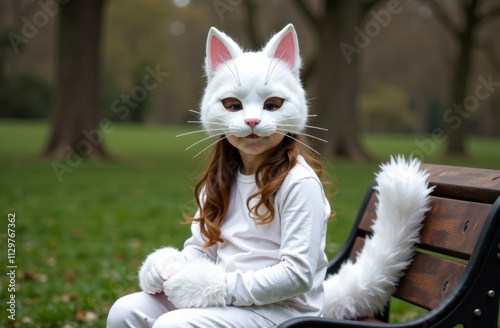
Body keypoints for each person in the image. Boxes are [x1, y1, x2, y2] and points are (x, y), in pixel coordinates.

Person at [107, 23, 332, 328]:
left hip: (284, 313)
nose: (252, 119)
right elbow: (201, 250)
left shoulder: (299, 183)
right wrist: (171, 266)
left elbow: (297, 275)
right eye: (233, 105)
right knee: (124, 310)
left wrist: (221, 288)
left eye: (272, 105)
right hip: (228, 302)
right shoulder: (222, 178)